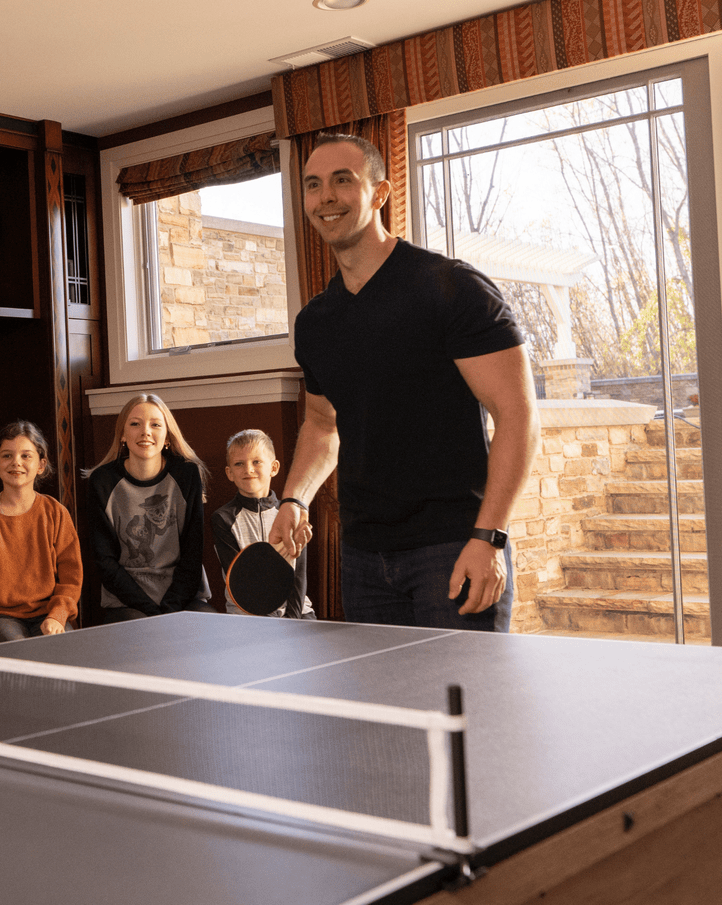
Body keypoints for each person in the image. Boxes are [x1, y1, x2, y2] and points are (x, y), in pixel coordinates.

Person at [270, 133, 541, 631]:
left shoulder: (452, 288)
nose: (325, 196)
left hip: (453, 548)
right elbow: (321, 424)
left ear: (379, 193)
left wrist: (490, 537)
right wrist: (293, 498)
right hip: (363, 558)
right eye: (313, 185)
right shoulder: (316, 322)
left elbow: (518, 416)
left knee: (464, 708)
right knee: (385, 710)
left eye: (342, 181)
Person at [0, 421, 82, 647]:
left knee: (68, 652)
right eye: (7, 456)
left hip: (49, 612)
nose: (16, 462)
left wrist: (58, 614)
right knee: (21, 655)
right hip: (4, 618)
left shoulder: (56, 513)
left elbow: (71, 577)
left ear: (41, 465)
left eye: (26, 456)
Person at [87, 393, 212, 622]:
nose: (145, 431)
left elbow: (193, 554)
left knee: (205, 629)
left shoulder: (187, 475)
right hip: (127, 599)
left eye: (155, 424)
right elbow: (105, 562)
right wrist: (152, 612)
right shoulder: (102, 482)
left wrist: (170, 607)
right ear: (123, 435)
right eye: (135, 424)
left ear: (167, 437)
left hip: (182, 595)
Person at [211, 429, 316, 619]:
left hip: (295, 611)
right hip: (248, 614)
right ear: (230, 473)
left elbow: (299, 577)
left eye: (256, 462)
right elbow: (239, 581)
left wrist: (292, 621)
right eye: (239, 464)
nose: (248, 469)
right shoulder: (223, 519)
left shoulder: (291, 513)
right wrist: (270, 626)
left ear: (274, 468)